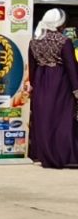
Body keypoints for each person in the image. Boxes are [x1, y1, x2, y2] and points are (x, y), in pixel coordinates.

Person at [27, 10, 78, 169]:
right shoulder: (64, 41)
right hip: (60, 81)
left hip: (41, 81)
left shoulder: (34, 41)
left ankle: (45, 156)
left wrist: (33, 85)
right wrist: (76, 89)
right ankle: (63, 156)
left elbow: (32, 66)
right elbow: (71, 66)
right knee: (62, 119)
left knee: (44, 119)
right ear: (59, 22)